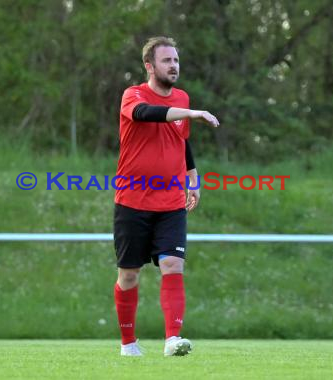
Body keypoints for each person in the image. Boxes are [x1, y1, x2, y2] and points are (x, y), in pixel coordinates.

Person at [113, 36, 220, 357]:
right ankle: (128, 344)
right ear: (150, 66)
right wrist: (191, 112)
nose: (174, 65)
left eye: (176, 60)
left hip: (171, 201)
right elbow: (147, 114)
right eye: (166, 60)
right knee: (129, 275)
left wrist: (193, 179)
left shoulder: (182, 99)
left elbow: (181, 141)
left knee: (172, 263)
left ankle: (173, 339)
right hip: (132, 201)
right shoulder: (133, 95)